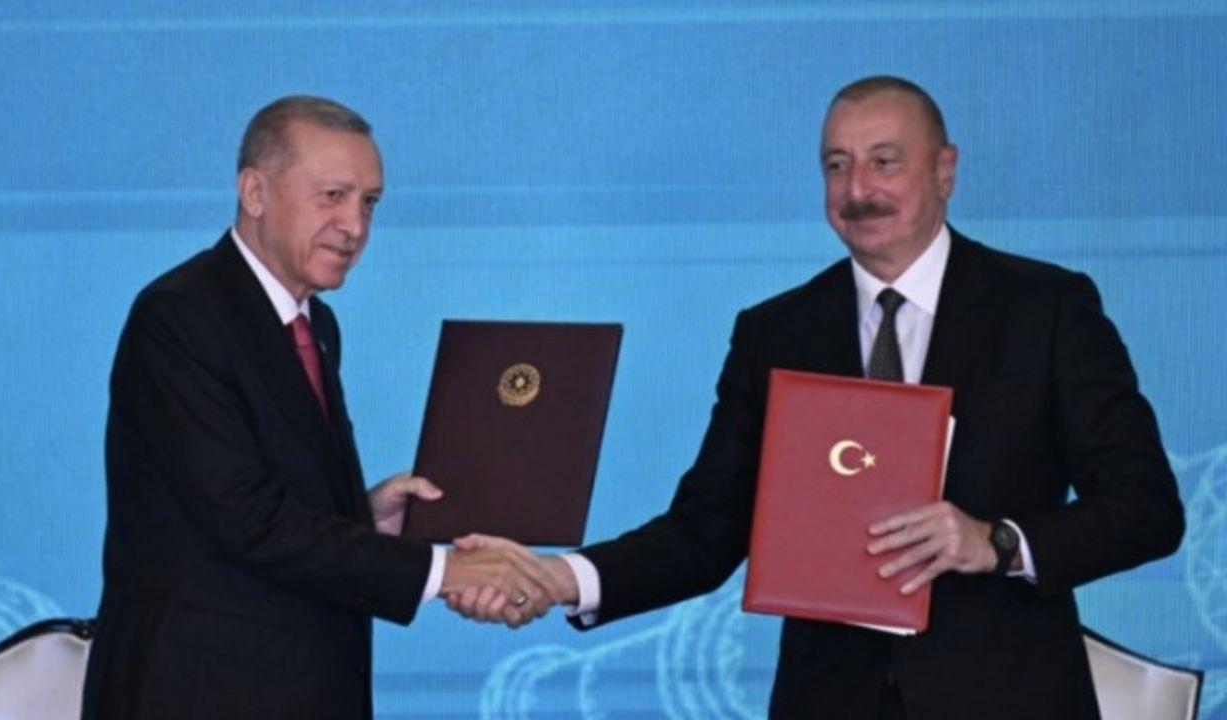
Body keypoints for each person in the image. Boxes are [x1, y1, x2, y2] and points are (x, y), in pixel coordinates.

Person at [450, 76, 1185, 719]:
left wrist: (995, 542)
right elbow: (708, 528)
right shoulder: (775, 332)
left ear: (946, 169)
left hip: (1008, 698)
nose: (858, 190)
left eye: (884, 161)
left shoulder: (1046, 309)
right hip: (828, 700)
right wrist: (561, 577)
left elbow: (1146, 507)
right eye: (837, 166)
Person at [81, 96, 556, 720]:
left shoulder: (316, 326)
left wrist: (364, 514)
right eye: (332, 196)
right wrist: (445, 570)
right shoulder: (180, 316)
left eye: (370, 202)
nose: (355, 225)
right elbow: (247, 520)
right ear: (255, 192)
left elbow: (266, 498)